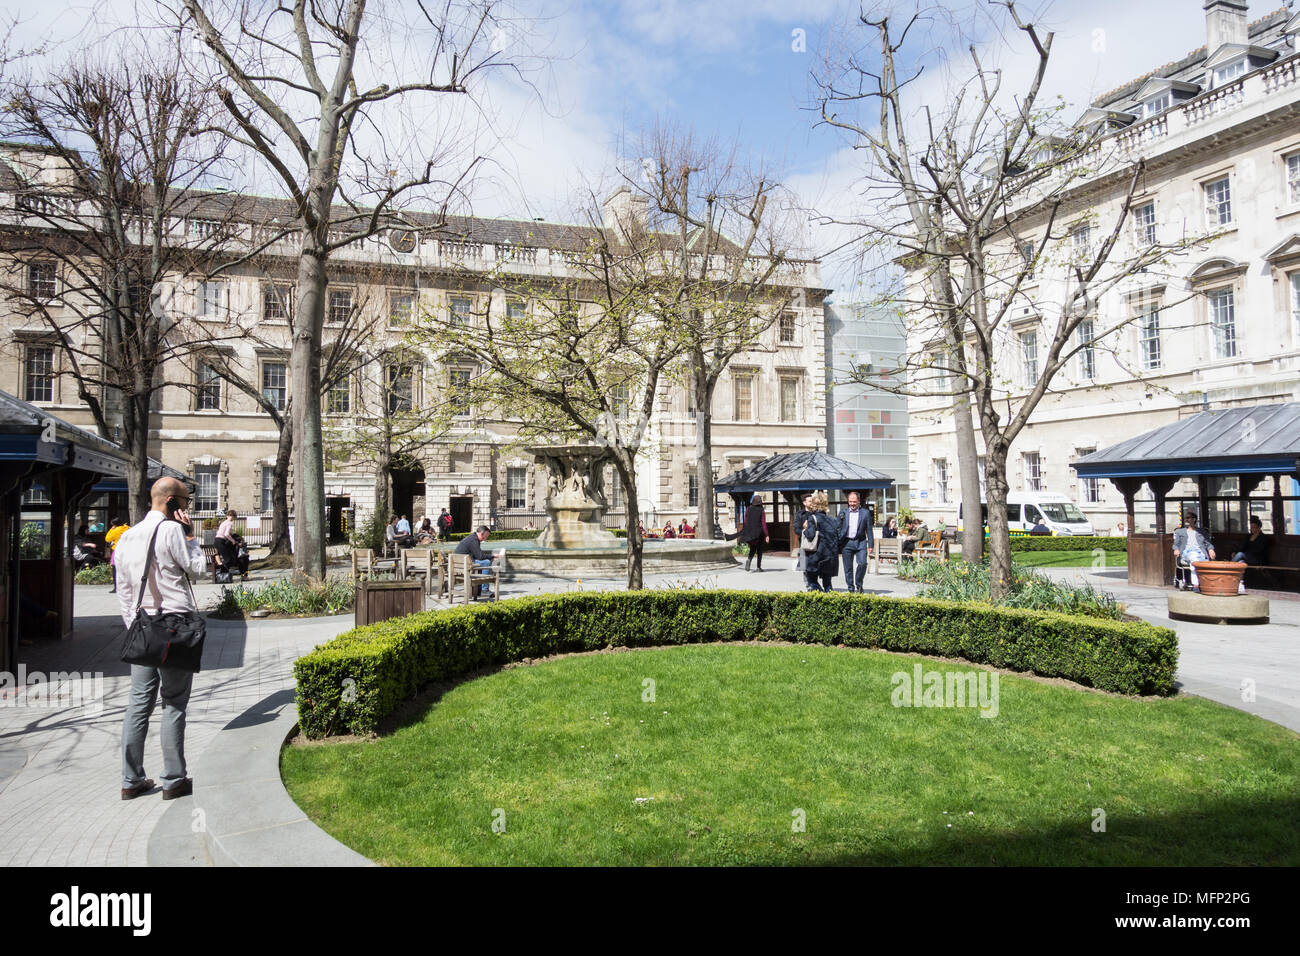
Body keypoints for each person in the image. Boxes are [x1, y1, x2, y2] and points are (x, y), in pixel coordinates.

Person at [116, 476, 207, 801]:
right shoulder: (172, 531)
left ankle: (131, 779)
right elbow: (198, 569)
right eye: (185, 502)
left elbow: (125, 590)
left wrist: (134, 625)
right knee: (173, 703)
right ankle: (173, 779)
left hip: (143, 627)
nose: (187, 507)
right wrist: (192, 537)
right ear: (170, 502)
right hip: (175, 627)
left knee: (138, 705)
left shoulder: (127, 536)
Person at [799, 491, 839, 592]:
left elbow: (811, 535)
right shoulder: (832, 520)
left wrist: (805, 529)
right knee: (828, 584)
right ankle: (829, 600)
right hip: (829, 557)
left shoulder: (812, 518)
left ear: (814, 504)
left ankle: (819, 600)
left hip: (815, 556)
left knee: (812, 582)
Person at [837, 491, 875, 594]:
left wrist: (871, 545)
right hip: (847, 543)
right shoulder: (843, 512)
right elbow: (838, 527)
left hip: (861, 542)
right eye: (850, 502)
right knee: (848, 568)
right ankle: (850, 588)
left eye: (854, 501)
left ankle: (859, 584)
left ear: (858, 501)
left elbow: (869, 530)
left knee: (862, 563)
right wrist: (839, 540)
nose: (852, 504)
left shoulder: (865, 513)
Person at [1172, 510, 1215, 591]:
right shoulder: (1180, 532)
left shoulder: (1202, 532)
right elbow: (1175, 544)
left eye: (1188, 518)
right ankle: (1196, 585)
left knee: (1199, 560)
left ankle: (1204, 583)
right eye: (1186, 518)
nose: (1187, 520)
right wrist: (1176, 549)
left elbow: (1208, 544)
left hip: (1200, 552)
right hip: (1187, 552)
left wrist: (1211, 550)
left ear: (1194, 519)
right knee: (1194, 557)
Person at [453, 524, 496, 599]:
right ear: (482, 533)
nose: (485, 538)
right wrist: (493, 556)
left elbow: (477, 556)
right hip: (465, 566)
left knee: (481, 563)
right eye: (485, 536)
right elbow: (480, 556)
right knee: (486, 562)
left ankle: (478, 590)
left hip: (459, 565)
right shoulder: (474, 540)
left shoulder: (472, 538)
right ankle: (484, 590)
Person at [734, 493, 769, 572]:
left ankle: (749, 559)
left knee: (753, 548)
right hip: (759, 533)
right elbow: (763, 523)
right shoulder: (761, 510)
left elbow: (746, 521)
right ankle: (758, 567)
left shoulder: (748, 509)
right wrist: (766, 535)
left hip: (751, 533)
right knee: (759, 550)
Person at [214, 508, 249, 581]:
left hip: (217, 540)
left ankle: (222, 571)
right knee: (229, 560)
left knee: (228, 559)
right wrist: (233, 541)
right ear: (233, 517)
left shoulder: (224, 522)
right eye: (232, 516)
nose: (232, 518)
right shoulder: (229, 523)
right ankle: (222, 573)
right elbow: (226, 534)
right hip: (221, 541)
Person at [105, 517, 129, 593]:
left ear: (115, 525)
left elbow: (107, 538)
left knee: (115, 569)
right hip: (127, 550)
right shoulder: (128, 528)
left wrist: (111, 529)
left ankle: (116, 587)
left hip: (117, 550)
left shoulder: (116, 530)